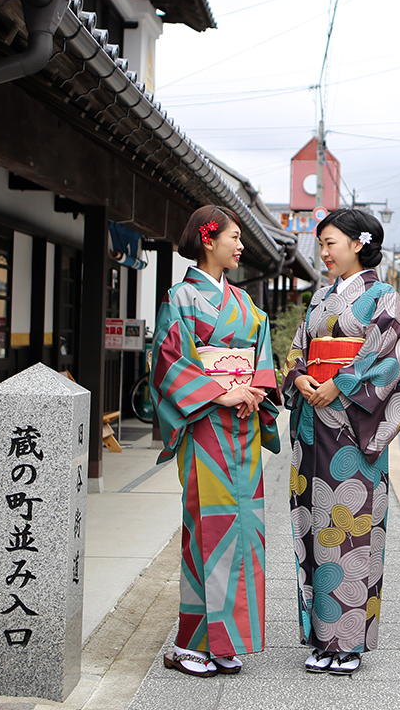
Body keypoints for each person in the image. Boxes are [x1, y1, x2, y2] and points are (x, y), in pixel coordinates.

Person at [281, 208, 400, 676]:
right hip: (311, 426)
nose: (323, 253)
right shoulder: (321, 298)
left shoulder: (383, 297)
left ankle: (348, 642)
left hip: (350, 431)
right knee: (312, 523)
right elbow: (297, 349)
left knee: (350, 525)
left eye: (330, 243)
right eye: (320, 244)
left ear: (359, 244)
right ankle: (322, 638)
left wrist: (339, 386)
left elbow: (388, 361)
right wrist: (301, 376)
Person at [150, 206, 280, 678]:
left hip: (243, 427)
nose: (241, 245)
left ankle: (229, 642)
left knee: (244, 529)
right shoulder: (180, 299)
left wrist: (255, 392)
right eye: (235, 236)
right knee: (207, 529)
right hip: (205, 425)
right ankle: (192, 644)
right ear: (209, 240)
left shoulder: (245, 304)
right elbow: (167, 361)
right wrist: (223, 392)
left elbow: (261, 353)